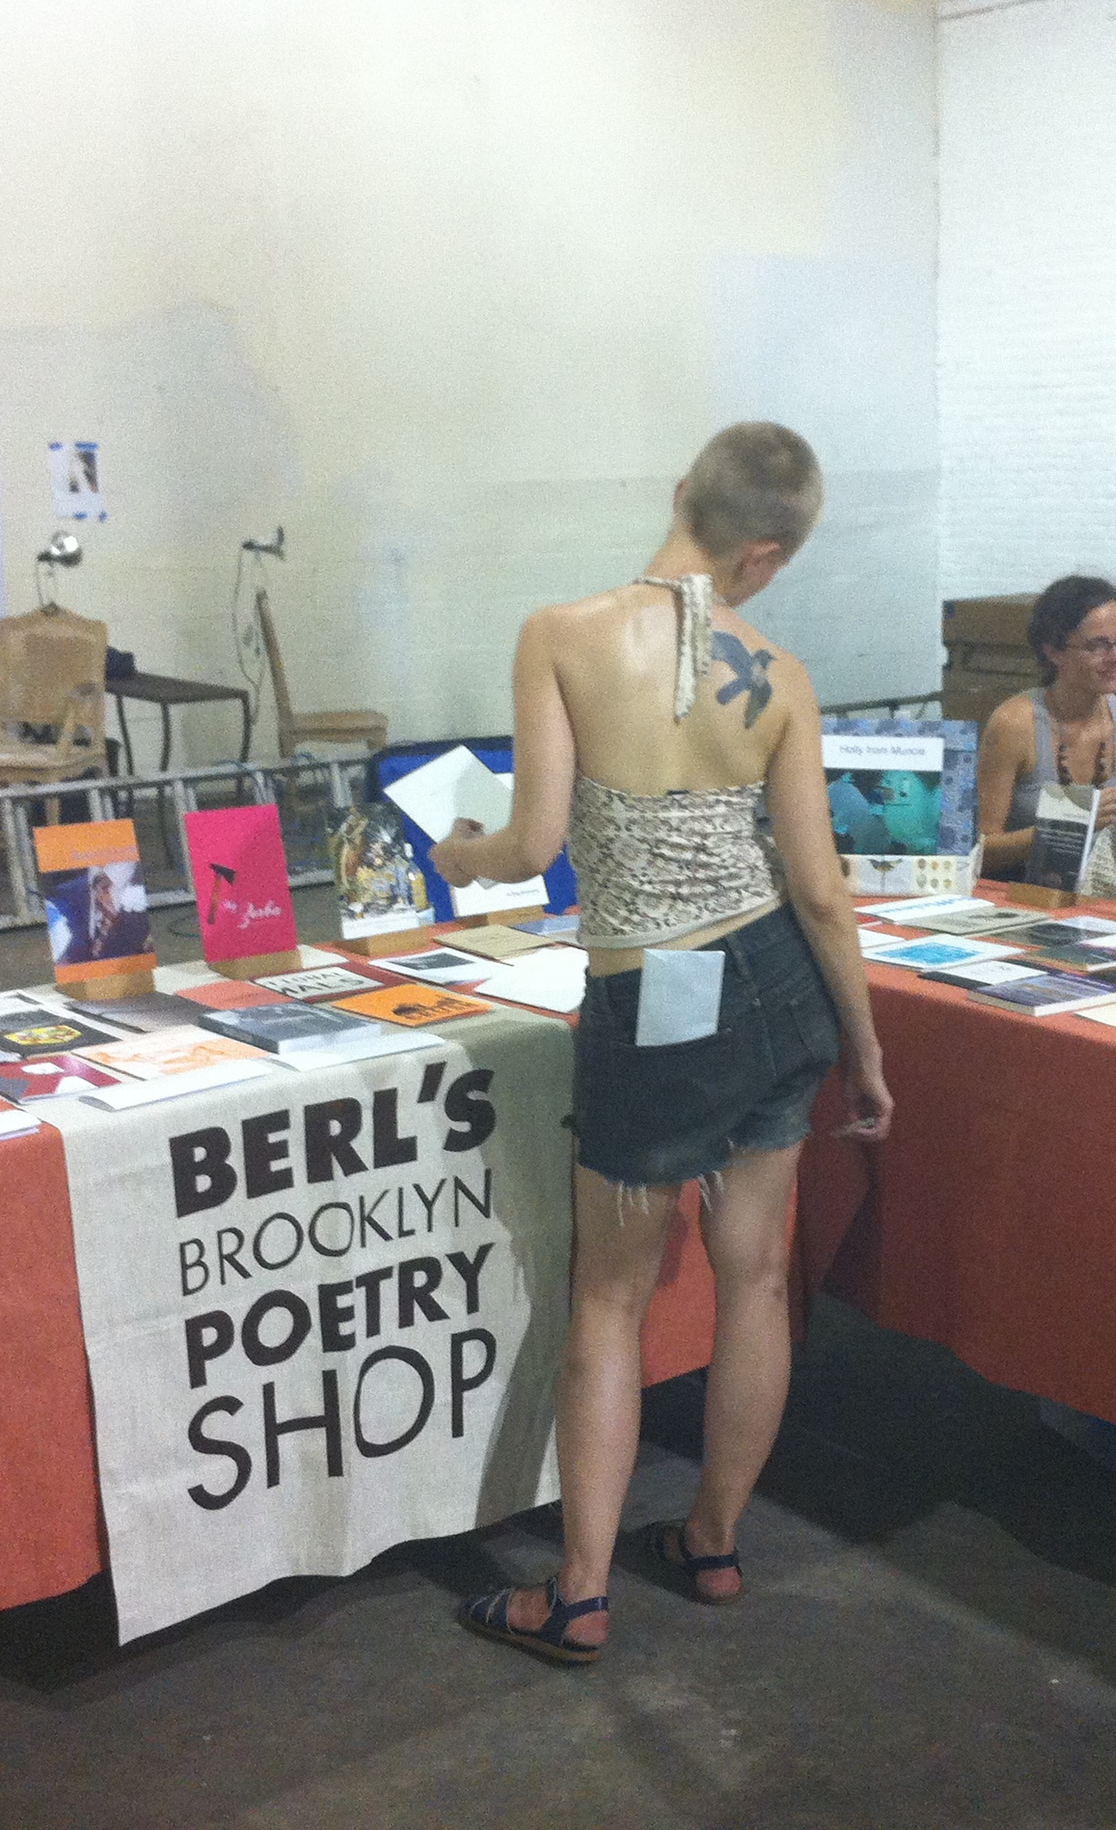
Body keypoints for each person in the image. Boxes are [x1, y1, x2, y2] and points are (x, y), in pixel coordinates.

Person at [429, 422, 893, 1665]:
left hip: (656, 998)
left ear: (678, 490)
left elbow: (529, 849)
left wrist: (457, 852)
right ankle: (713, 1538)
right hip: (779, 989)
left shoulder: (560, 635)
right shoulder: (780, 675)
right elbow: (822, 890)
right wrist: (866, 1047)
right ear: (767, 554)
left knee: (608, 1294)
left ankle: (578, 1591)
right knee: (753, 1275)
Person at [976, 576, 1116, 893]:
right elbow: (980, 853)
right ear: (1053, 652)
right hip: (1022, 898)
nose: (1115, 658)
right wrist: (1074, 825)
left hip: (1106, 896)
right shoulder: (1014, 725)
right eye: (1097, 645)